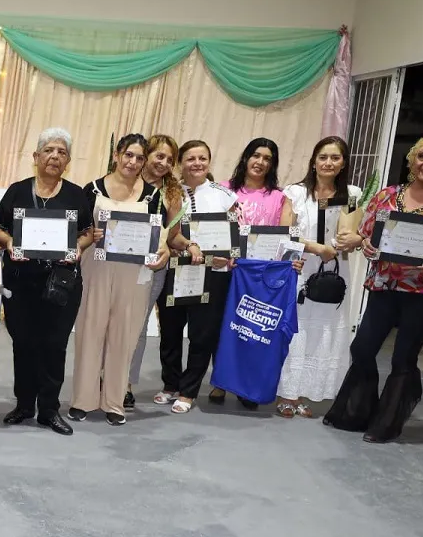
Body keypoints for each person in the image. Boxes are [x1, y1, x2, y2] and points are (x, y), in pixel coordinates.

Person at [325, 134, 423, 443]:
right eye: (422, 156)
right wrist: (366, 246)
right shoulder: (387, 196)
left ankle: (387, 422)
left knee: (403, 358)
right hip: (384, 284)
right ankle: (358, 412)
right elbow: (366, 237)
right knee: (362, 348)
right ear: (411, 161)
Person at [0, 127, 95, 436]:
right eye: (49, 150)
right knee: (22, 343)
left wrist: (78, 247)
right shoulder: (17, 190)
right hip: (21, 281)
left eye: (61, 152)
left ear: (68, 161)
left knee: (54, 345)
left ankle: (49, 410)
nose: (54, 156)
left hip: (61, 284)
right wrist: (10, 242)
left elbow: (88, 232)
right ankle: (24, 404)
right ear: (36, 157)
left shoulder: (77, 194)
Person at [68, 134, 170, 426]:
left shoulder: (153, 195)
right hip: (96, 270)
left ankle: (114, 401)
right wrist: (89, 235)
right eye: (128, 155)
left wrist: (161, 253)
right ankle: (83, 400)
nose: (133, 162)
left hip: (135, 274)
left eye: (139, 158)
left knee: (124, 337)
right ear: (116, 155)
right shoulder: (93, 189)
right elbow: (78, 230)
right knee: (90, 332)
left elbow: (160, 236)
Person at [276, 137, 364, 417]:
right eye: (323, 157)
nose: (328, 163)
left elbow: (356, 234)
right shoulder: (295, 192)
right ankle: (287, 394)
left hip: (335, 271)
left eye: (335, 158)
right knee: (297, 331)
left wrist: (352, 240)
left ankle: (307, 393)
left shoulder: (352, 194)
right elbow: (285, 233)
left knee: (323, 331)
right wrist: (314, 248)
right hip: (302, 268)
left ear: (343, 163)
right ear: (313, 161)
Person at [210, 137, 294, 408]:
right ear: (246, 157)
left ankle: (246, 385)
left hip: (260, 278)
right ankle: (220, 382)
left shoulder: (281, 198)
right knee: (222, 327)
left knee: (251, 329)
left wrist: (293, 261)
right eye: (256, 155)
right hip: (227, 271)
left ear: (272, 165)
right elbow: (212, 230)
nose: (260, 162)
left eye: (267, 158)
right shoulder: (223, 191)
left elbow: (288, 238)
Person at [154, 140, 236, 414]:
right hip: (175, 270)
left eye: (202, 158)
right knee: (170, 330)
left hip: (213, 272)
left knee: (202, 334)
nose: (197, 163)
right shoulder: (168, 192)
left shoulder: (225, 196)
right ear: (180, 163)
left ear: (209, 162)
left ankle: (189, 391)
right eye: (191, 158)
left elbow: (238, 234)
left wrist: (231, 254)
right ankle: (170, 384)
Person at [126, 134, 185, 410]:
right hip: (117, 265)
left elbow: (174, 236)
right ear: (146, 154)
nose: (163, 163)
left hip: (152, 270)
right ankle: (101, 376)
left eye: (169, 160)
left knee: (137, 326)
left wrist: (186, 246)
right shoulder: (126, 181)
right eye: (159, 156)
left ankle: (124, 384)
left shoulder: (172, 193)